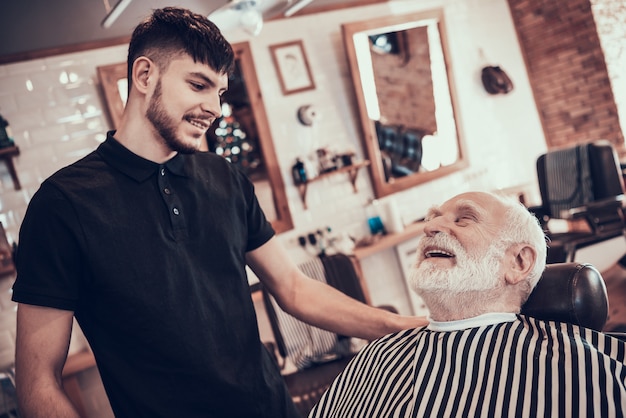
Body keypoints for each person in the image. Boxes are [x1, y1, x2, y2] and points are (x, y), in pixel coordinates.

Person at [11, 8, 425, 418]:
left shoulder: (224, 177)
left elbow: (294, 289)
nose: (214, 107)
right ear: (144, 76)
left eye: (220, 93)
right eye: (198, 85)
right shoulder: (63, 205)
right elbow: (38, 382)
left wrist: (401, 328)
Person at [309, 191, 626, 417]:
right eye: (433, 219)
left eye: (464, 219)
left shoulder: (583, 366)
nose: (429, 227)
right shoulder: (378, 356)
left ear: (517, 262)